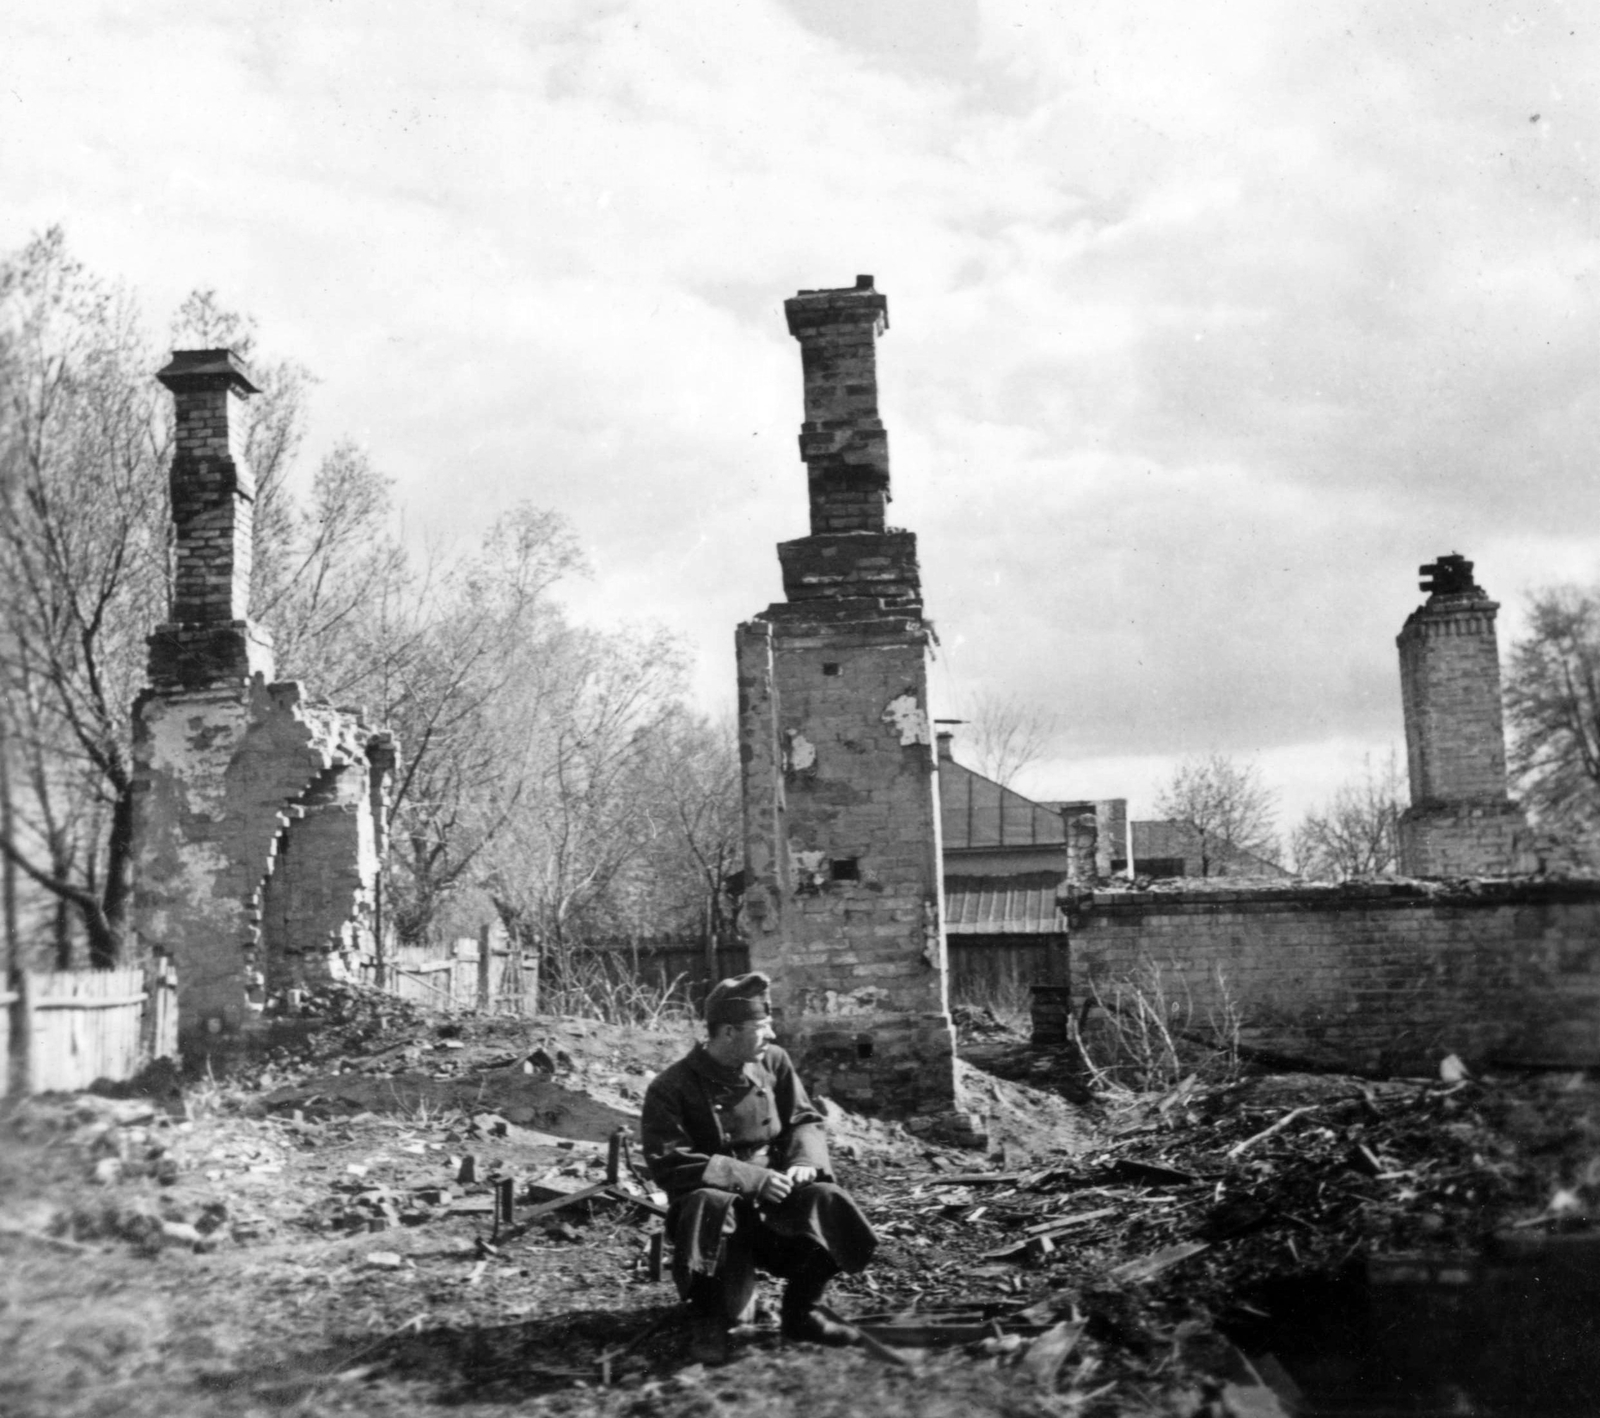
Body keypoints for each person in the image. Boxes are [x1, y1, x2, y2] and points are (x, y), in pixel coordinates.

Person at [641, 972, 877, 1364]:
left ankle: (804, 1313)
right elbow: (669, 1160)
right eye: (761, 1028)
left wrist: (804, 1160)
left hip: (776, 1202)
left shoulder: (773, 1063)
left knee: (829, 1200)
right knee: (708, 1203)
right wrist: (752, 1179)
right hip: (718, 1213)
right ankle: (709, 1320)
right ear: (730, 1031)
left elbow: (804, 1119)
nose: (771, 1037)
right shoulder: (672, 1086)